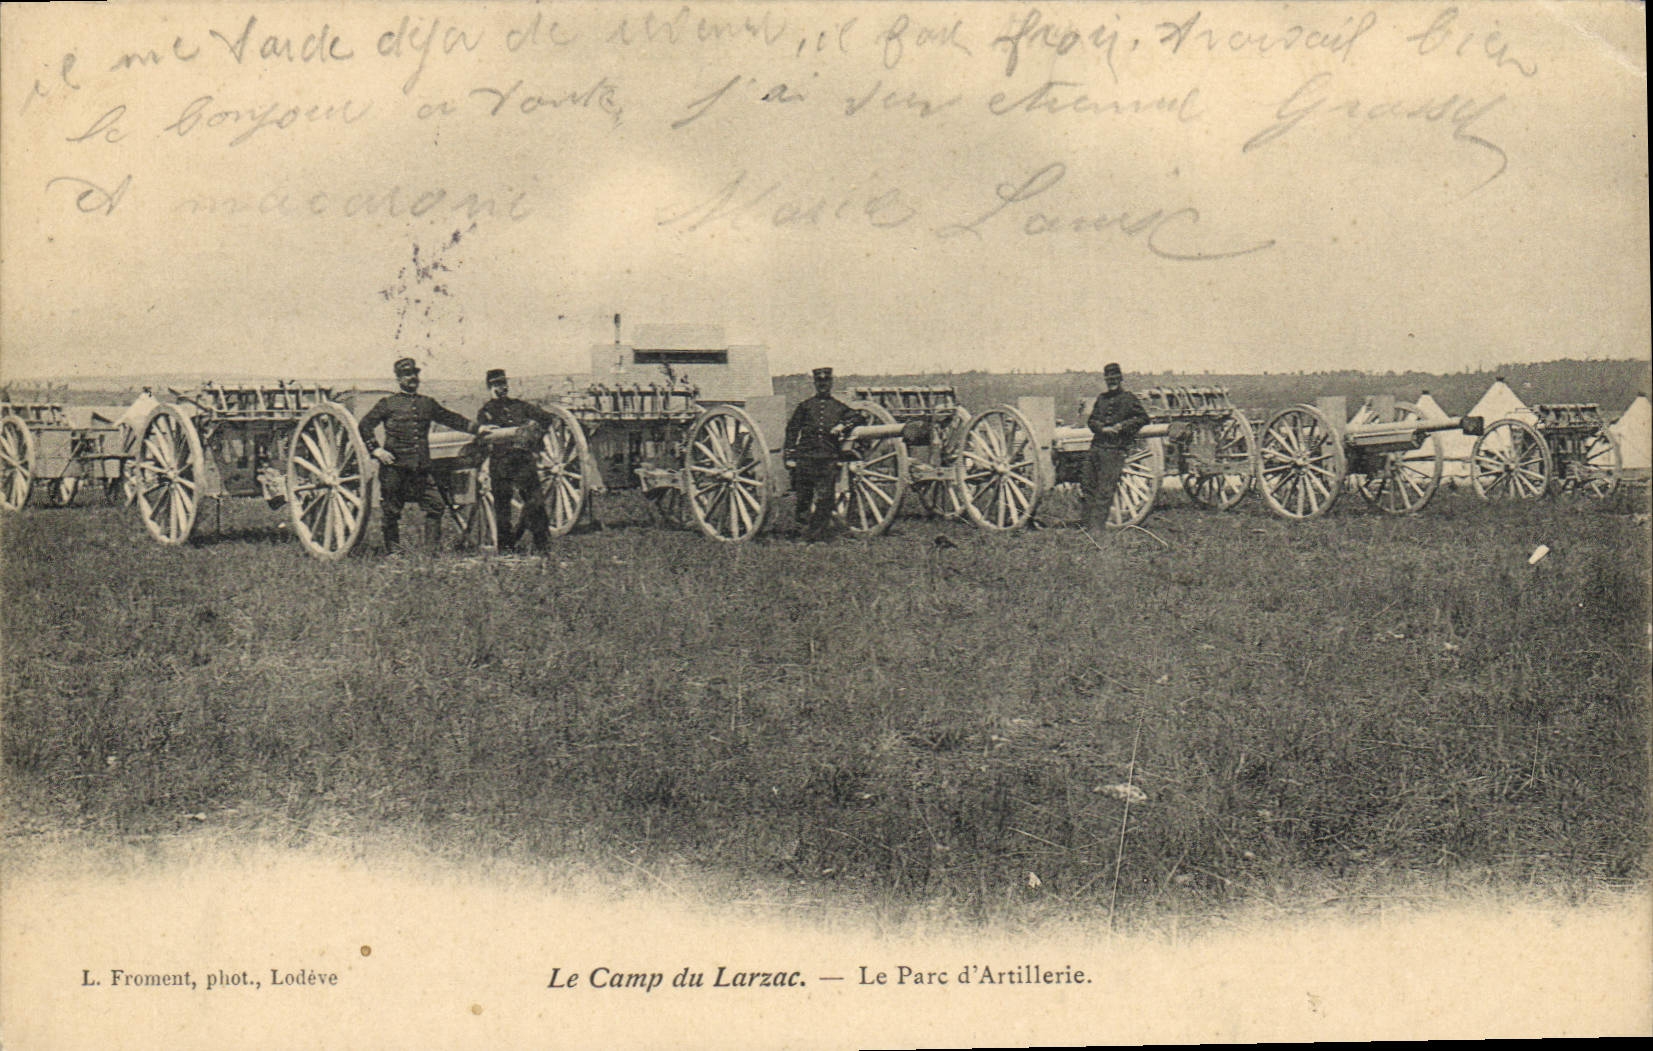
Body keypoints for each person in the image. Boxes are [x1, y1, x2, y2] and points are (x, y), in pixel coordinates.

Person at [357, 357, 480, 553]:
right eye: (407, 375)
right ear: (398, 379)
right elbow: (364, 425)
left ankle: (430, 552)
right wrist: (377, 450)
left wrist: (478, 429)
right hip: (394, 468)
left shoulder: (427, 404)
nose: (412, 378)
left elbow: (450, 418)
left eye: (414, 374)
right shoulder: (388, 403)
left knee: (436, 506)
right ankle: (394, 552)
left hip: (421, 468)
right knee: (391, 511)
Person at [474, 367, 559, 553]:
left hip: (523, 460)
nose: (501, 388)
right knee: (503, 508)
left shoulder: (520, 406)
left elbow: (546, 418)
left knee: (536, 503)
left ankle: (543, 546)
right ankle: (505, 548)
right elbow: (482, 435)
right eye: (496, 384)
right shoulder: (486, 411)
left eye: (503, 383)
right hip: (500, 462)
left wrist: (533, 433)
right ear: (489, 387)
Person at [783, 367, 860, 542]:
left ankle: (816, 534)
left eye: (826, 382)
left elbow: (857, 417)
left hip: (828, 457)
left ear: (831, 383)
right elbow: (792, 430)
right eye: (819, 382)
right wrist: (790, 455)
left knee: (825, 498)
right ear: (815, 384)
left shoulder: (838, 407)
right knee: (804, 496)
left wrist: (842, 426)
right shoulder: (805, 406)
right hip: (806, 457)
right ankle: (801, 532)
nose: (823, 385)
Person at [1083, 362, 1149, 529]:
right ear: (1105, 379)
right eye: (1108, 378)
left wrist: (1121, 427)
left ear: (1120, 379)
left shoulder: (1129, 399)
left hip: (1115, 450)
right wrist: (1102, 428)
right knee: (1088, 485)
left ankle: (1096, 529)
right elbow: (1091, 421)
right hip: (1096, 447)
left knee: (1105, 490)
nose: (1111, 381)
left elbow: (1143, 418)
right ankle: (1088, 525)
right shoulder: (1101, 399)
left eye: (1114, 378)